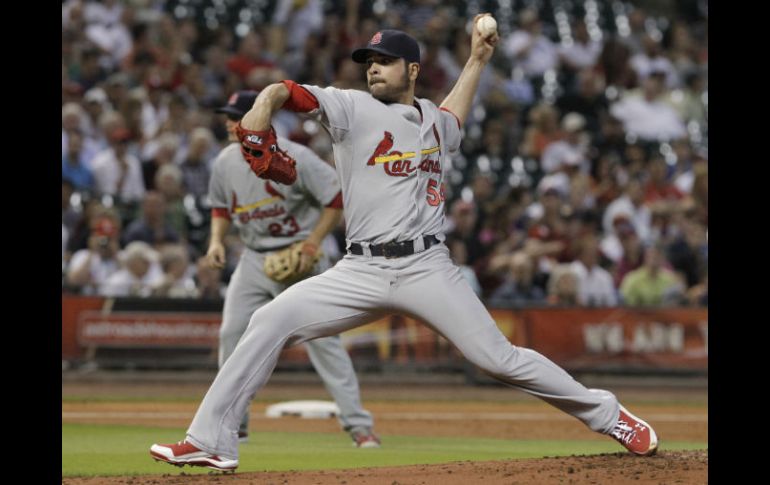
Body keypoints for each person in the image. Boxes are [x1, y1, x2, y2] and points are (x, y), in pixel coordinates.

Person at [150, 18, 658, 472]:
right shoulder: (351, 109)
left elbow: (452, 116)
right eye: (369, 61)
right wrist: (258, 116)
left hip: (426, 265)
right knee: (268, 321)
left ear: (411, 70)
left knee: (497, 359)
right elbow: (284, 91)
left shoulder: (434, 121)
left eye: (385, 61)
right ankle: (211, 441)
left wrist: (477, 60)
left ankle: (609, 415)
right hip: (359, 269)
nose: (373, 69)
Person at [206, 90, 378, 447]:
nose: (227, 122)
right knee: (231, 335)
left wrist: (313, 241)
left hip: (299, 256)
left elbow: (336, 198)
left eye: (236, 116)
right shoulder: (224, 162)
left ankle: (358, 425)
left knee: (324, 342)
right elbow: (221, 208)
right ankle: (233, 425)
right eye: (228, 115)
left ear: (259, 122)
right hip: (254, 258)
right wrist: (216, 241)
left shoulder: (297, 157)